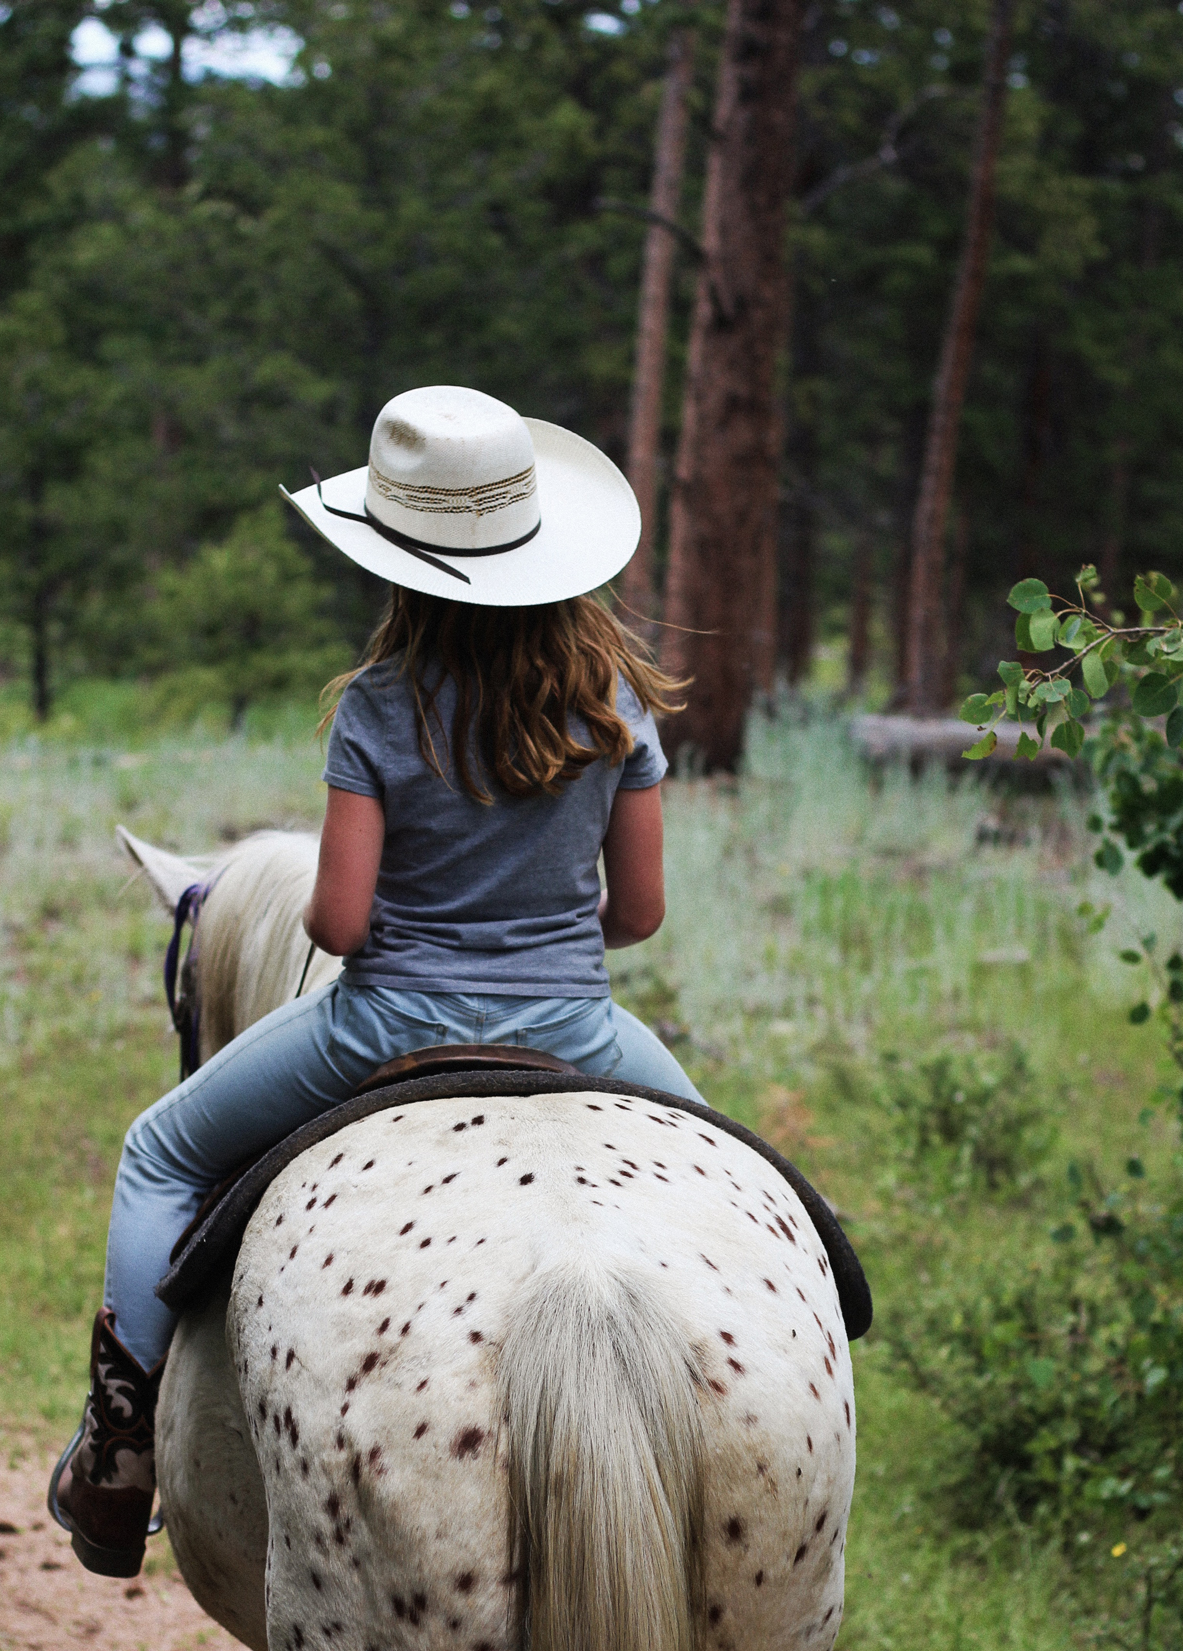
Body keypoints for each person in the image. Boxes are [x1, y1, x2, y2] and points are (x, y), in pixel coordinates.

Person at [49, 382, 704, 1580]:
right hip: (580, 1024)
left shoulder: (378, 708)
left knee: (159, 1150)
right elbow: (643, 914)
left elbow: (342, 923)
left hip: (384, 1020)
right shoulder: (612, 706)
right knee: (727, 1179)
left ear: (399, 561)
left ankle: (119, 1456)